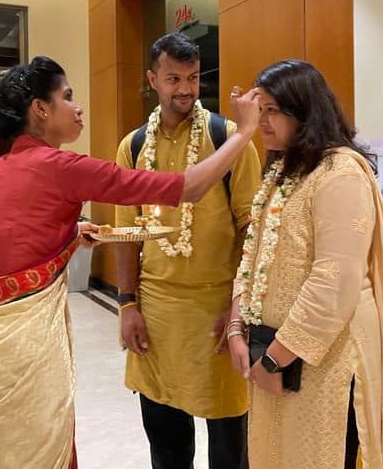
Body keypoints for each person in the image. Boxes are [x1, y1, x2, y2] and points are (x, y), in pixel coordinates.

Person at [0, 56, 261, 469]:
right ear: (40, 109)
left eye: (192, 78)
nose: (78, 108)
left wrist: (72, 234)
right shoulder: (66, 165)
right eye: (68, 97)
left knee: (0, 449)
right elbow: (187, 188)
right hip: (27, 345)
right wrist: (249, 132)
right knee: (42, 444)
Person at [227, 60, 383, 468]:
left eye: (272, 110)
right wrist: (236, 327)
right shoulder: (283, 169)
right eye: (257, 108)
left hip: (326, 362)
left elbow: (334, 283)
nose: (261, 121)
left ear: (305, 112)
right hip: (276, 353)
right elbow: (253, 254)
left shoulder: (339, 173)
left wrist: (273, 359)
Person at [114, 32, 260, 469]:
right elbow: (126, 235)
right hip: (157, 316)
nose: (184, 89)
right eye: (173, 78)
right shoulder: (133, 146)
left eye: (193, 78)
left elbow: (252, 230)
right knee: (165, 442)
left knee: (229, 448)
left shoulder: (228, 137)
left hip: (216, 313)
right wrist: (126, 304)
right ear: (152, 79)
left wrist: (238, 310)